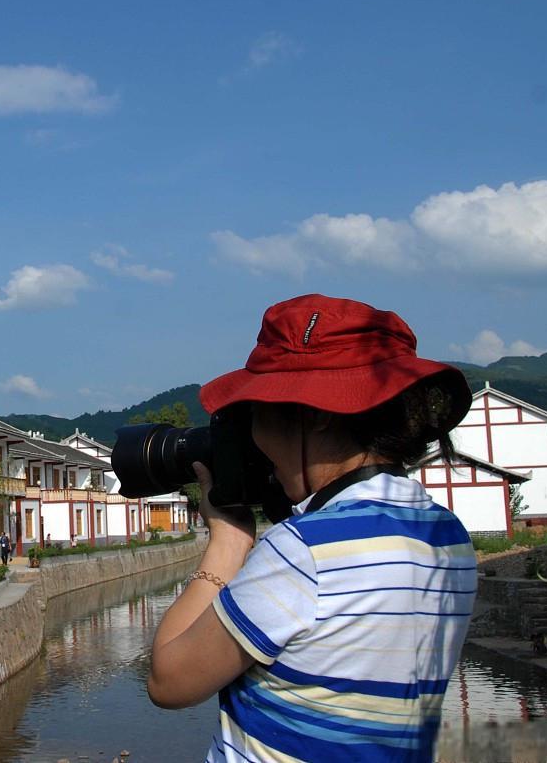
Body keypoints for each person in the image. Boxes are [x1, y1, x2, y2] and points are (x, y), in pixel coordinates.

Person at [146, 294, 477, 762]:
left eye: (258, 415)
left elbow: (168, 681)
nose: (255, 439)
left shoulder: (305, 551)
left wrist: (228, 541)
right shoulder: (447, 536)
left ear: (316, 414)